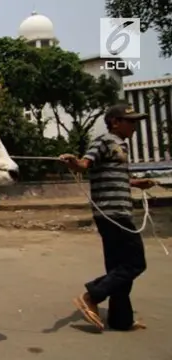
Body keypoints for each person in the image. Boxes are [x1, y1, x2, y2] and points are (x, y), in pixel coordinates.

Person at [60, 103, 157, 332]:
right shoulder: (104, 141)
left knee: (118, 267)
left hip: (119, 211)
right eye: (131, 121)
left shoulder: (121, 145)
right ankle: (91, 295)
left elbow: (115, 175)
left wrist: (136, 183)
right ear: (115, 122)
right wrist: (73, 162)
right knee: (135, 263)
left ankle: (121, 320)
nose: (134, 126)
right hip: (111, 213)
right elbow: (85, 164)